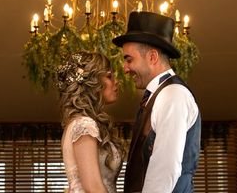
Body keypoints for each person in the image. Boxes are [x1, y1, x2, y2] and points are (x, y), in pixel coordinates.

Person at [112, 11, 201, 193]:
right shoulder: (157, 96)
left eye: (129, 59)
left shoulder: (173, 95)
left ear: (152, 57)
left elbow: (165, 169)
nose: (125, 68)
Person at [57, 51, 124, 193]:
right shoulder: (84, 125)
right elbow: (93, 187)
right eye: (109, 76)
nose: (116, 81)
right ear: (93, 82)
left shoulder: (82, 123)